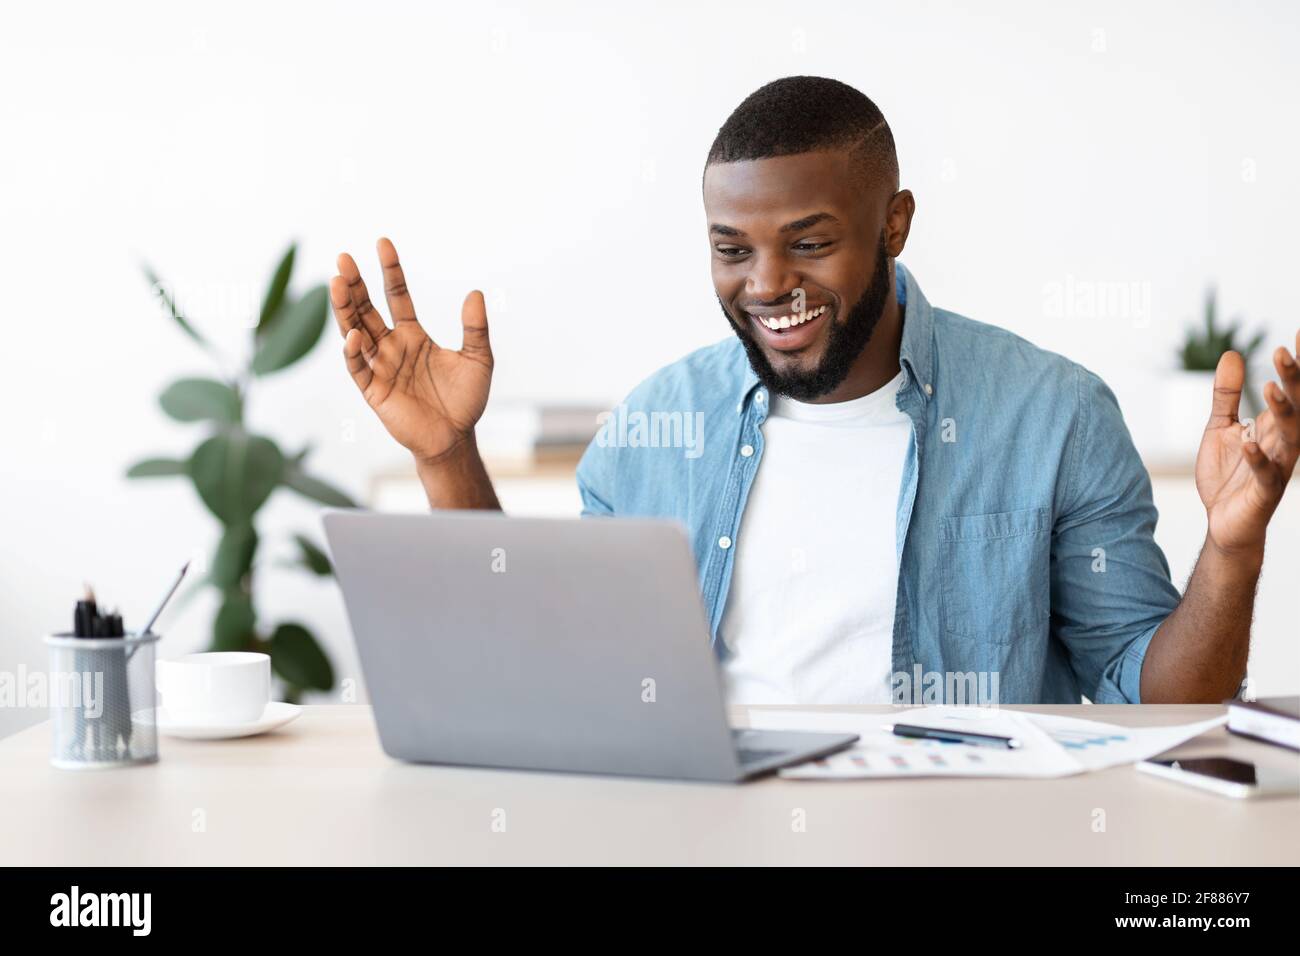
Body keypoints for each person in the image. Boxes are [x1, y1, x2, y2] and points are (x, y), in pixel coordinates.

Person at [328, 76, 1299, 706]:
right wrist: (445, 454)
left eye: (809, 240)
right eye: (731, 249)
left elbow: (1161, 706)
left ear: (895, 224)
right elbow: (558, 689)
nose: (766, 285)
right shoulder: (651, 432)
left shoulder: (1052, 415)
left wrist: (1229, 548)